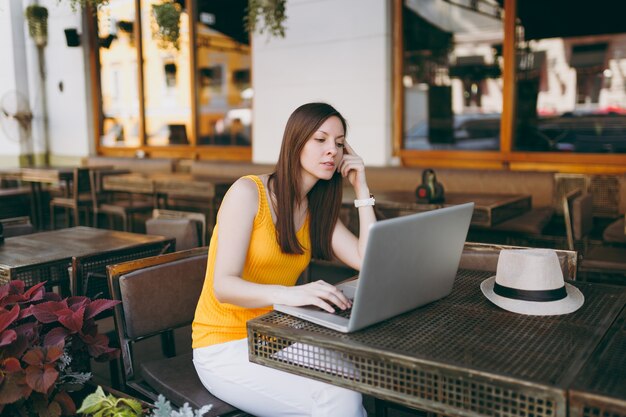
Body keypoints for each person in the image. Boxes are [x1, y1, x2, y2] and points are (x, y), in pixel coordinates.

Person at [192, 102, 376, 416]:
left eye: (340, 143)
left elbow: (368, 262)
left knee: (351, 379)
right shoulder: (248, 193)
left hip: (277, 335)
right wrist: (293, 294)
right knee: (337, 398)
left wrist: (361, 188)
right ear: (295, 142)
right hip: (223, 345)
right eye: (321, 140)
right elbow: (224, 286)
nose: (332, 149)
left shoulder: (314, 209)